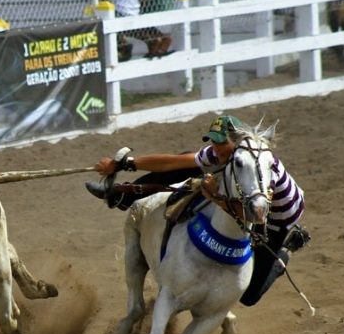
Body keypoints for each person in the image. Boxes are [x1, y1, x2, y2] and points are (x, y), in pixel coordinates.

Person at [84, 115, 310, 307]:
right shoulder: (223, 153)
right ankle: (123, 193)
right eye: (214, 142)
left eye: (221, 143)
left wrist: (213, 195)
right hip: (241, 194)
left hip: (274, 216)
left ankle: (287, 248)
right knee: (189, 163)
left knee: (249, 296)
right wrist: (127, 164)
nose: (216, 148)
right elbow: (173, 163)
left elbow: (252, 215)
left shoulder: (259, 165)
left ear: (237, 144)